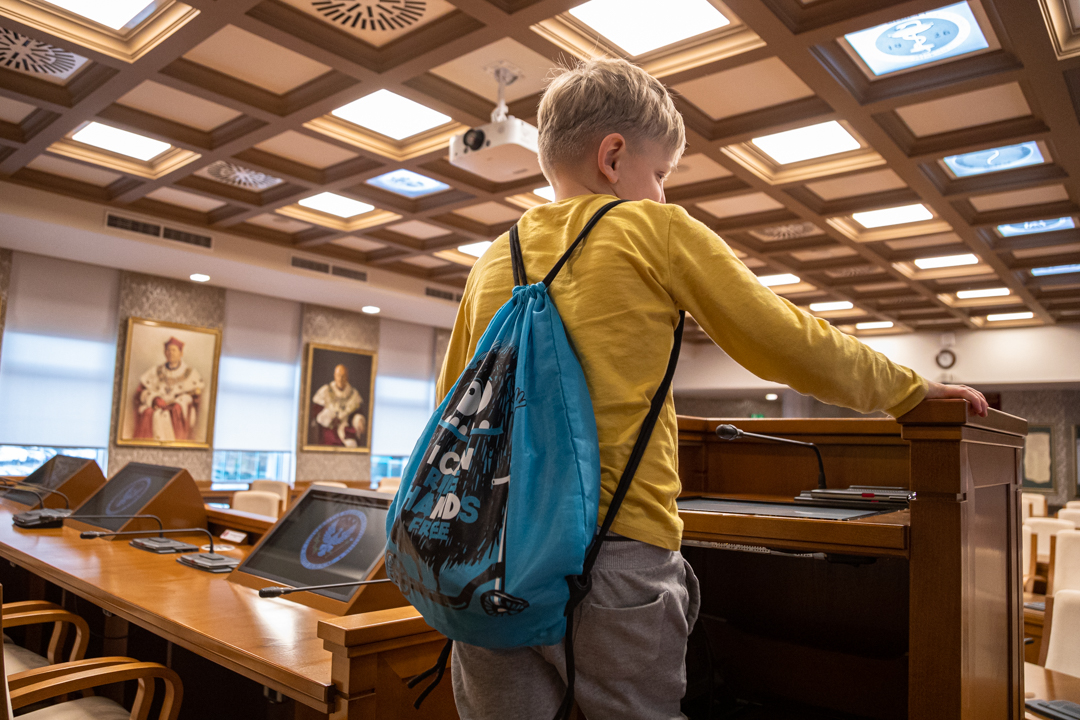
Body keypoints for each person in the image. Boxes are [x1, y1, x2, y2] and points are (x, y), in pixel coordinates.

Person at [438, 58, 989, 720]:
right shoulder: (653, 229)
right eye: (661, 173)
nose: (663, 194)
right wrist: (908, 391)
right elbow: (782, 337)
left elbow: (454, 409)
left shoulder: (493, 257)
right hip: (612, 559)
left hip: (486, 561)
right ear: (613, 156)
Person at [133, 336, 205, 442]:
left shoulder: (190, 373)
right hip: (157, 407)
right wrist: (153, 398)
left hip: (177, 408)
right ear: (165, 353)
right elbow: (140, 392)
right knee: (148, 412)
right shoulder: (155, 371)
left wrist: (178, 402)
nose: (170, 353)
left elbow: (196, 397)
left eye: (174, 350)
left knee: (176, 409)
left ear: (181, 353)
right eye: (168, 350)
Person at [310, 363, 366, 447]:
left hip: (346, 430)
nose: (340, 379)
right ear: (334, 376)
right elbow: (316, 412)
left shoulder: (353, 394)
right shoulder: (325, 391)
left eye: (343, 376)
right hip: (329, 430)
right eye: (338, 375)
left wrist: (359, 421)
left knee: (352, 443)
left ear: (347, 377)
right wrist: (329, 417)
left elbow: (356, 413)